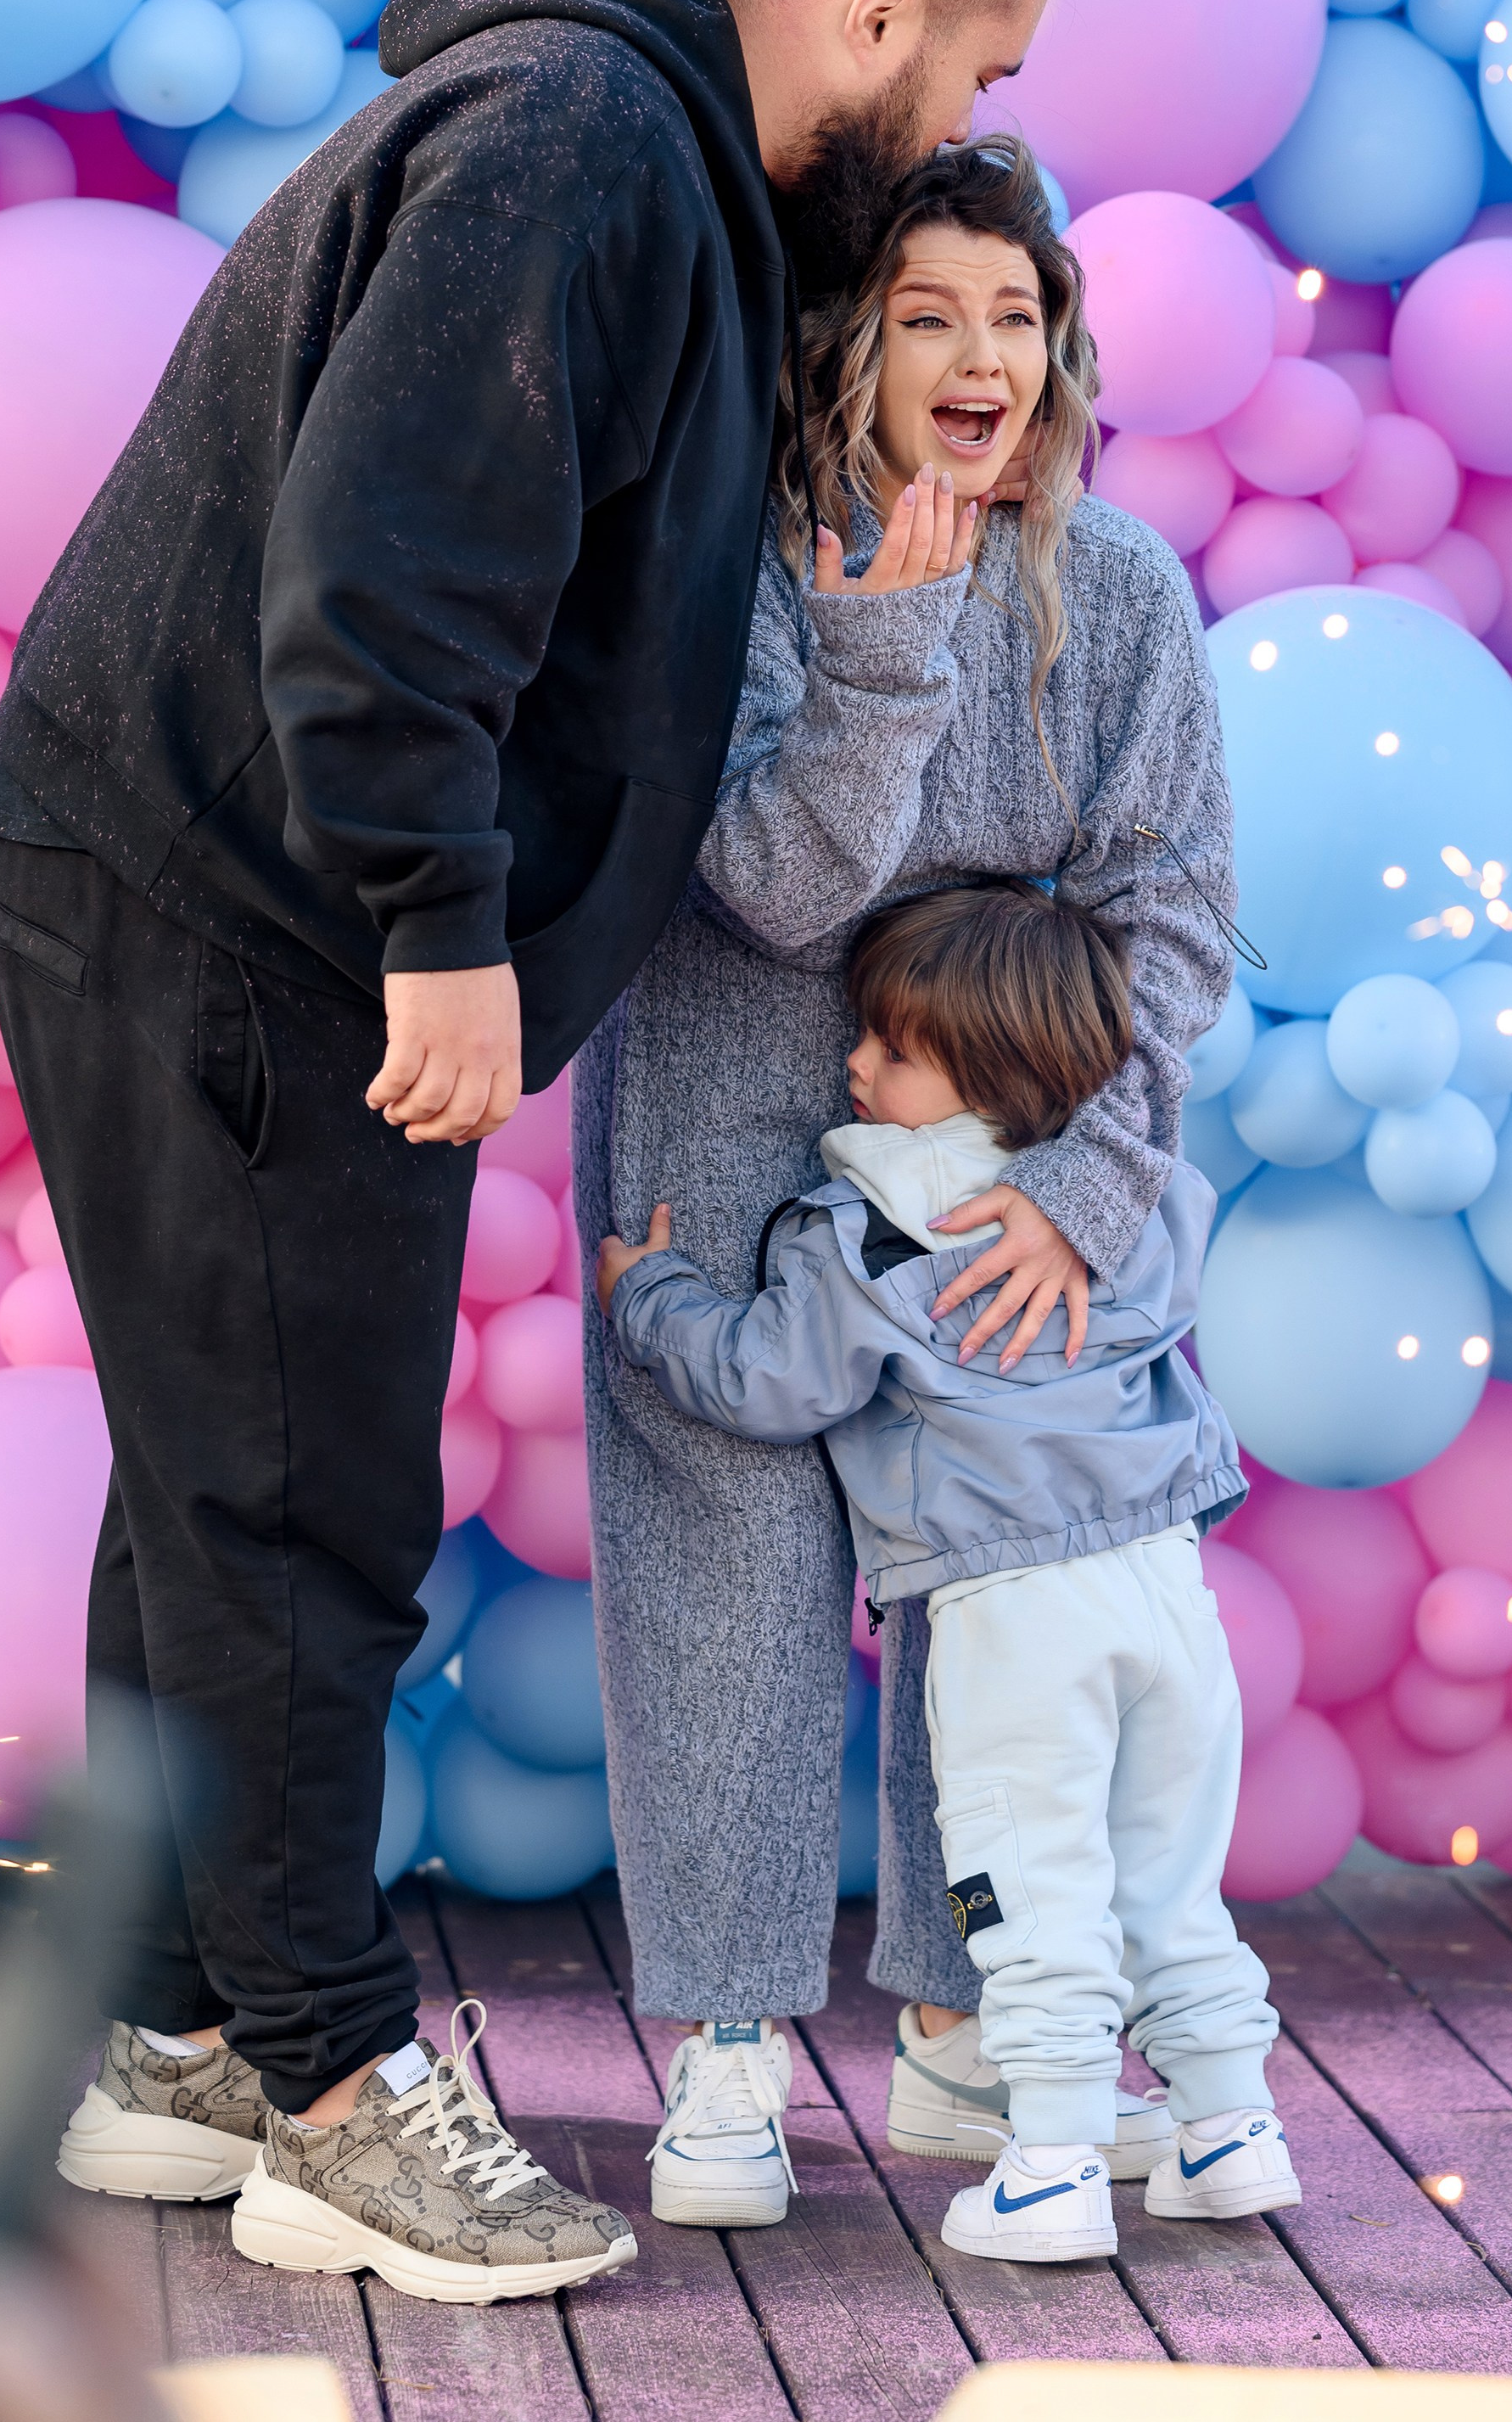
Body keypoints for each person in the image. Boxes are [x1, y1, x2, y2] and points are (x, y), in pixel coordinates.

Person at [0, 0, 1089, 2307]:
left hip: (204, 869)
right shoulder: (584, 131)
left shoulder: (618, 129)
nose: (966, 141)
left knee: (213, 1475)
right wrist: (437, 924)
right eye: (977, 84)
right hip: (264, 902)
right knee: (302, 1512)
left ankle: (180, 2034)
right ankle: (341, 2093)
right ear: (881, 10)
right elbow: (390, 560)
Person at [578, 132, 1240, 2230]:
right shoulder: (739, 567)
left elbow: (1172, 915)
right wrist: (893, 637)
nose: (979, 358)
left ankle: (974, 2033)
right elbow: (774, 887)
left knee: (1003, 1566)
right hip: (726, 1073)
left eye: (1016, 319)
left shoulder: (1120, 591)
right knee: (736, 1558)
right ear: (849, 349)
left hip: (998, 1136)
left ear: (1064, 353)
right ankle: (727, 2044)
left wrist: (1097, 1177)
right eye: (928, 316)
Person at [596, 877, 1291, 2263]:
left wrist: (647, 1296)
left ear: (992, 1078)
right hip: (1167, 1591)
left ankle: (1047, 2164)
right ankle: (1228, 2128)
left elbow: (765, 1378)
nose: (852, 1064)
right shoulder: (1132, 1216)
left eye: (892, 1051)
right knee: (1165, 1880)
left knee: (1024, 1889)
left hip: (1008, 1612)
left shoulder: (870, 1235)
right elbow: (1188, 1218)